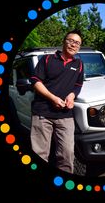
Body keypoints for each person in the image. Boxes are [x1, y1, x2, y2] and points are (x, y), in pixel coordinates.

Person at [30, 29, 84, 174]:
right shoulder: (47, 59)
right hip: (42, 113)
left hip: (65, 115)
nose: (74, 45)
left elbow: (78, 85)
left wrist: (72, 96)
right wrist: (52, 98)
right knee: (40, 154)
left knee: (67, 156)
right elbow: (35, 81)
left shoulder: (79, 64)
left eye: (77, 43)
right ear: (64, 41)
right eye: (71, 41)